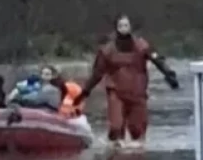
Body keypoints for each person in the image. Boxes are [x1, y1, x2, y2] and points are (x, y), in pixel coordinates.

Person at [73, 14, 179, 147]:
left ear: (130, 27)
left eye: (126, 25)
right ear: (116, 28)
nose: (123, 28)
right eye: (120, 26)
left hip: (137, 92)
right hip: (116, 92)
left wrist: (169, 74)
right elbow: (97, 74)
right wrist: (84, 92)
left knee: (137, 131)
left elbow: (157, 60)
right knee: (116, 127)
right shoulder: (107, 50)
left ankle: (136, 159)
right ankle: (114, 154)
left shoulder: (141, 45)